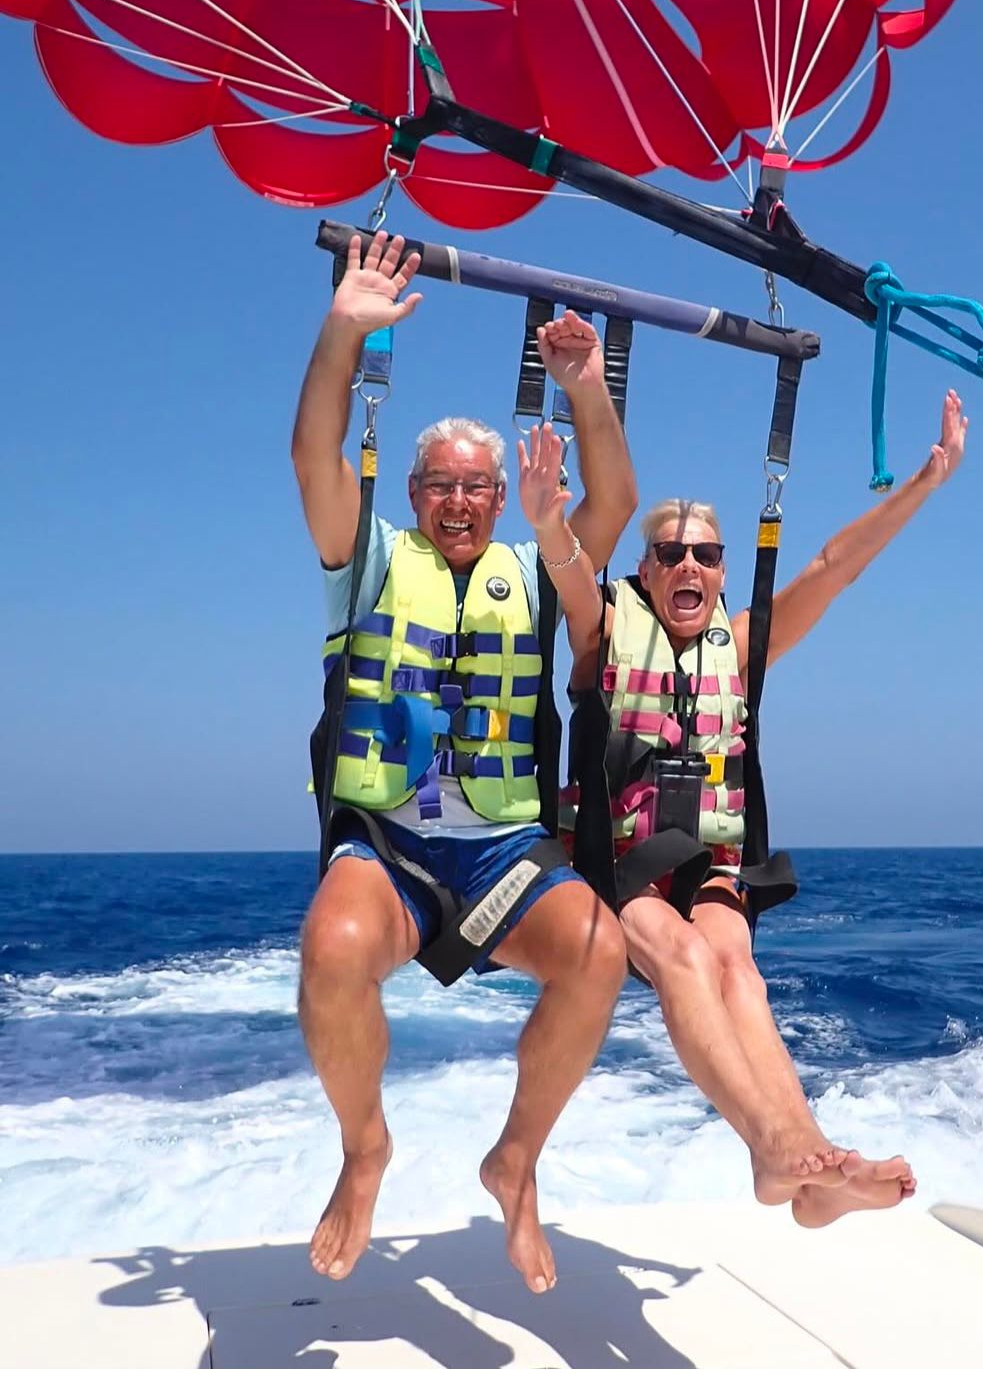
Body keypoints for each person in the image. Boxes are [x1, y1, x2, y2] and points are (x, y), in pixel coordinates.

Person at [291, 231, 634, 1293]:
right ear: (412, 490)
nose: (456, 500)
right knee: (333, 947)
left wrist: (586, 389)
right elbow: (313, 453)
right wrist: (344, 327)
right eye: (438, 483)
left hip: (503, 859)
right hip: (388, 844)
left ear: (499, 497)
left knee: (599, 951)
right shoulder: (368, 559)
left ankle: (516, 1161)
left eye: (475, 487)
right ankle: (365, 1149)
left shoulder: (537, 568)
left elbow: (611, 506)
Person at [558, 391, 970, 1226]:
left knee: (736, 967)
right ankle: (781, 1156)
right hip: (613, 861)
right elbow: (566, 560)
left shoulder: (738, 649)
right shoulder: (602, 628)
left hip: (706, 859)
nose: (689, 567)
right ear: (645, 569)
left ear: (719, 568)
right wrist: (550, 497)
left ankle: (803, 1164)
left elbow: (833, 567)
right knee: (679, 956)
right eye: (670, 553)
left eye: (706, 555)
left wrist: (924, 480)